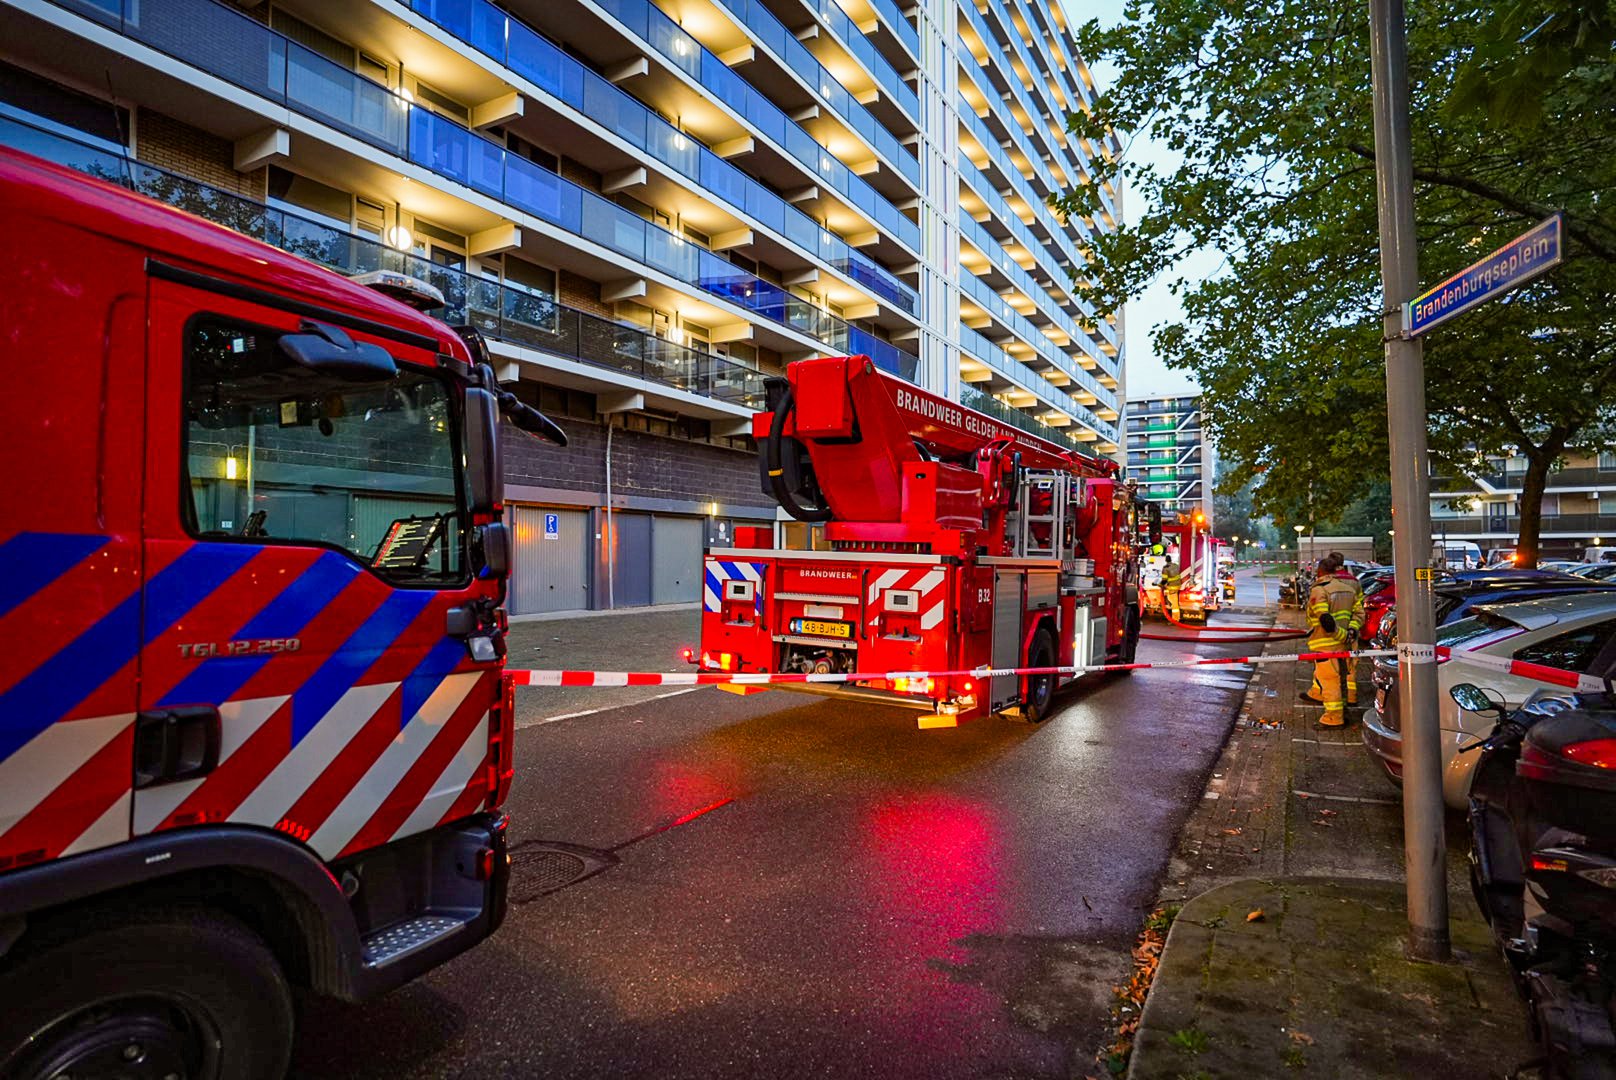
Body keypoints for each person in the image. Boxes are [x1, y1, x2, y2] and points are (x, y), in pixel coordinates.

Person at [1304, 554, 1362, 726]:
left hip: (1326, 645)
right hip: (1344, 645)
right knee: (1342, 679)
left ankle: (1333, 718)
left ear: (1320, 571)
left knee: (1329, 681)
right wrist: (1351, 631)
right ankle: (1343, 709)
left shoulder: (1320, 590)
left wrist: (1341, 634)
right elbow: (1359, 614)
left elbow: (1326, 621)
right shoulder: (1348, 589)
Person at [1161, 547, 1182, 622]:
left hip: (1172, 587)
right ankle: (1174, 616)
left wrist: (1160, 585)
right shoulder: (1176, 565)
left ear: (1166, 560)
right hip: (1178, 585)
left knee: (1174, 603)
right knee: (1171, 599)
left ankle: (1175, 619)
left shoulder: (1165, 568)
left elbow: (1164, 580)